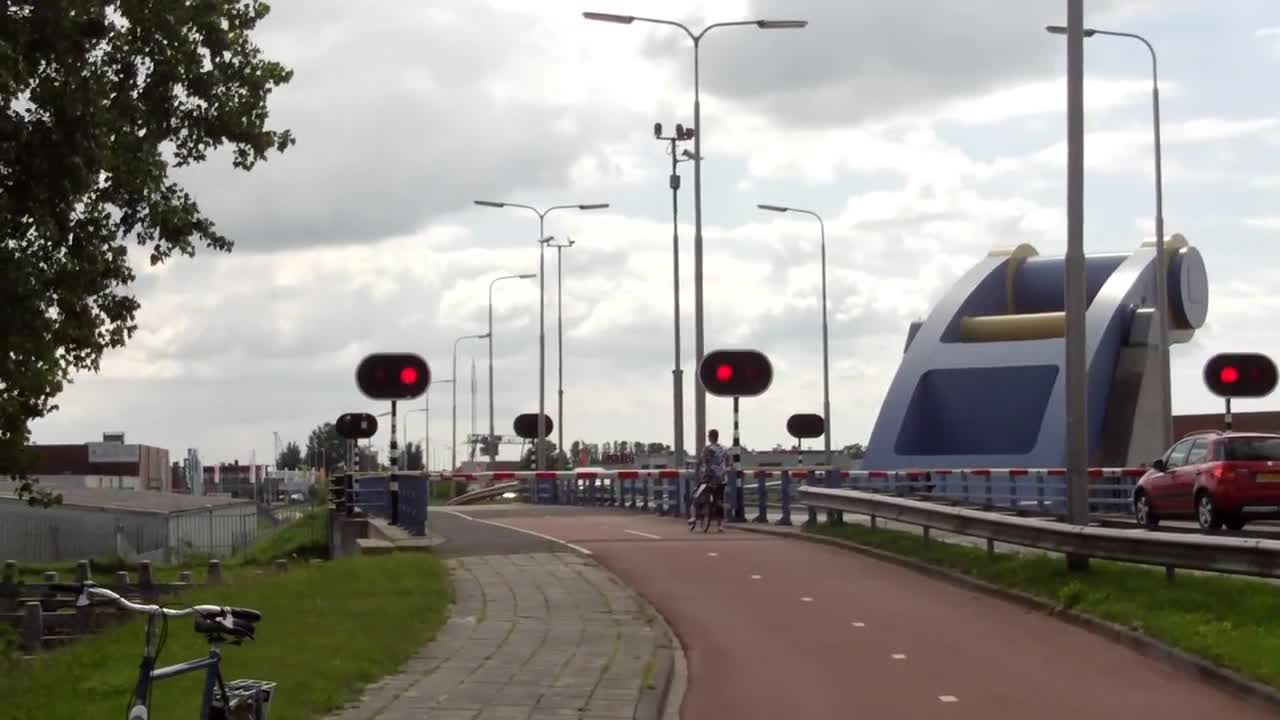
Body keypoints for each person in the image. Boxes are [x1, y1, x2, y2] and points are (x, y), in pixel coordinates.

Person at [691, 428, 729, 531]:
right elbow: (728, 463)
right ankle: (720, 525)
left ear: (710, 437)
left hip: (709, 478)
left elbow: (702, 462)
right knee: (719, 500)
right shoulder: (724, 449)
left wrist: (698, 474)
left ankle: (694, 517)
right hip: (721, 479)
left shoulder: (707, 449)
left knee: (697, 496)